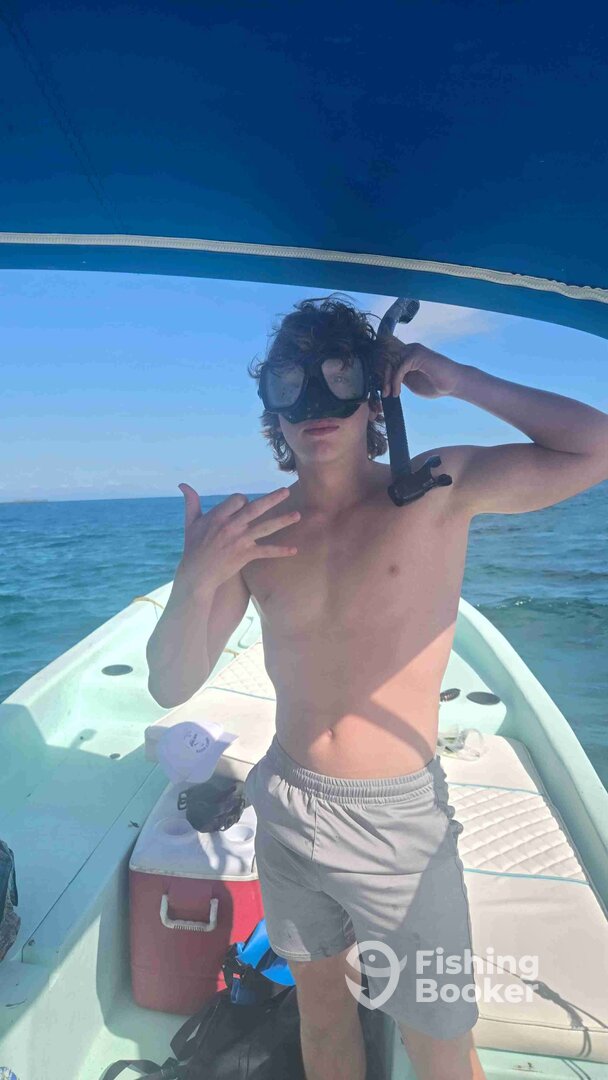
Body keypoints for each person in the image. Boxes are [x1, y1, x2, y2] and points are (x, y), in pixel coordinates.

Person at [146, 294, 608, 1080]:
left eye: (338, 376)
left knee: (438, 1039)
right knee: (321, 1012)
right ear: (273, 409)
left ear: (374, 390)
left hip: (399, 826)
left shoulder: (436, 488)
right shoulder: (256, 531)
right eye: (292, 384)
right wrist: (196, 579)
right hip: (286, 804)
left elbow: (594, 447)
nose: (315, 404)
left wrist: (460, 379)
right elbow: (170, 683)